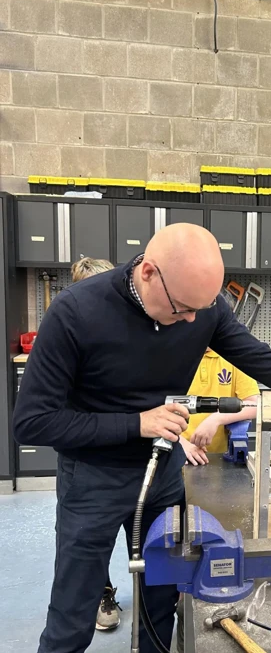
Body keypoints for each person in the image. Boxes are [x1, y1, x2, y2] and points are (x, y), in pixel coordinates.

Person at [14, 223, 271, 653]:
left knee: (162, 599)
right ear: (149, 272)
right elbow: (32, 422)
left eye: (203, 307)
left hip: (163, 476)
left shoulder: (202, 308)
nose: (193, 321)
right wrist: (136, 423)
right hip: (93, 480)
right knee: (73, 614)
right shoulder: (75, 311)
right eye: (183, 309)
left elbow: (270, 366)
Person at [70, 257, 122, 633]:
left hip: (133, 458)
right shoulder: (69, 332)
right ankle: (101, 591)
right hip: (87, 462)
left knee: (143, 535)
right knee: (90, 543)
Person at [180, 348, 260, 465]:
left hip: (217, 461)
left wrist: (216, 419)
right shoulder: (171, 357)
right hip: (173, 454)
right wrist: (179, 443)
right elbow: (151, 410)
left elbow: (255, 404)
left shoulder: (235, 358)